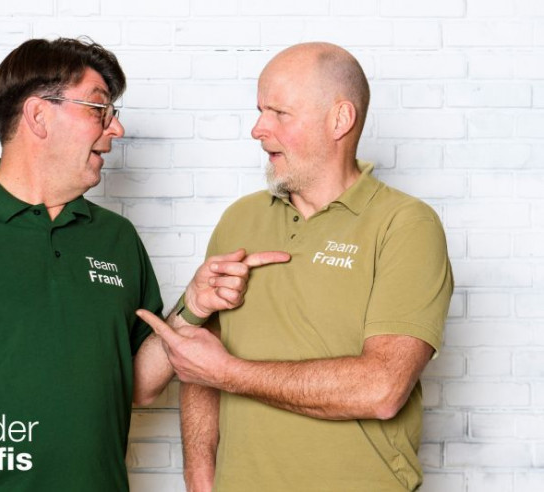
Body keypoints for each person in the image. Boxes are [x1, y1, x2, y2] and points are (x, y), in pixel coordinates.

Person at [0, 37, 289, 491]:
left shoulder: (116, 238)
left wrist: (192, 306)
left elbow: (138, 386)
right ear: (38, 115)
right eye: (98, 109)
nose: (116, 128)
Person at [138, 42, 454, 492]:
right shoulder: (239, 220)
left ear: (339, 120)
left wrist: (228, 372)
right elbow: (199, 363)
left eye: (279, 113)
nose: (257, 129)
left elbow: (381, 388)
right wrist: (200, 476)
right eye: (259, 111)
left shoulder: (404, 225)